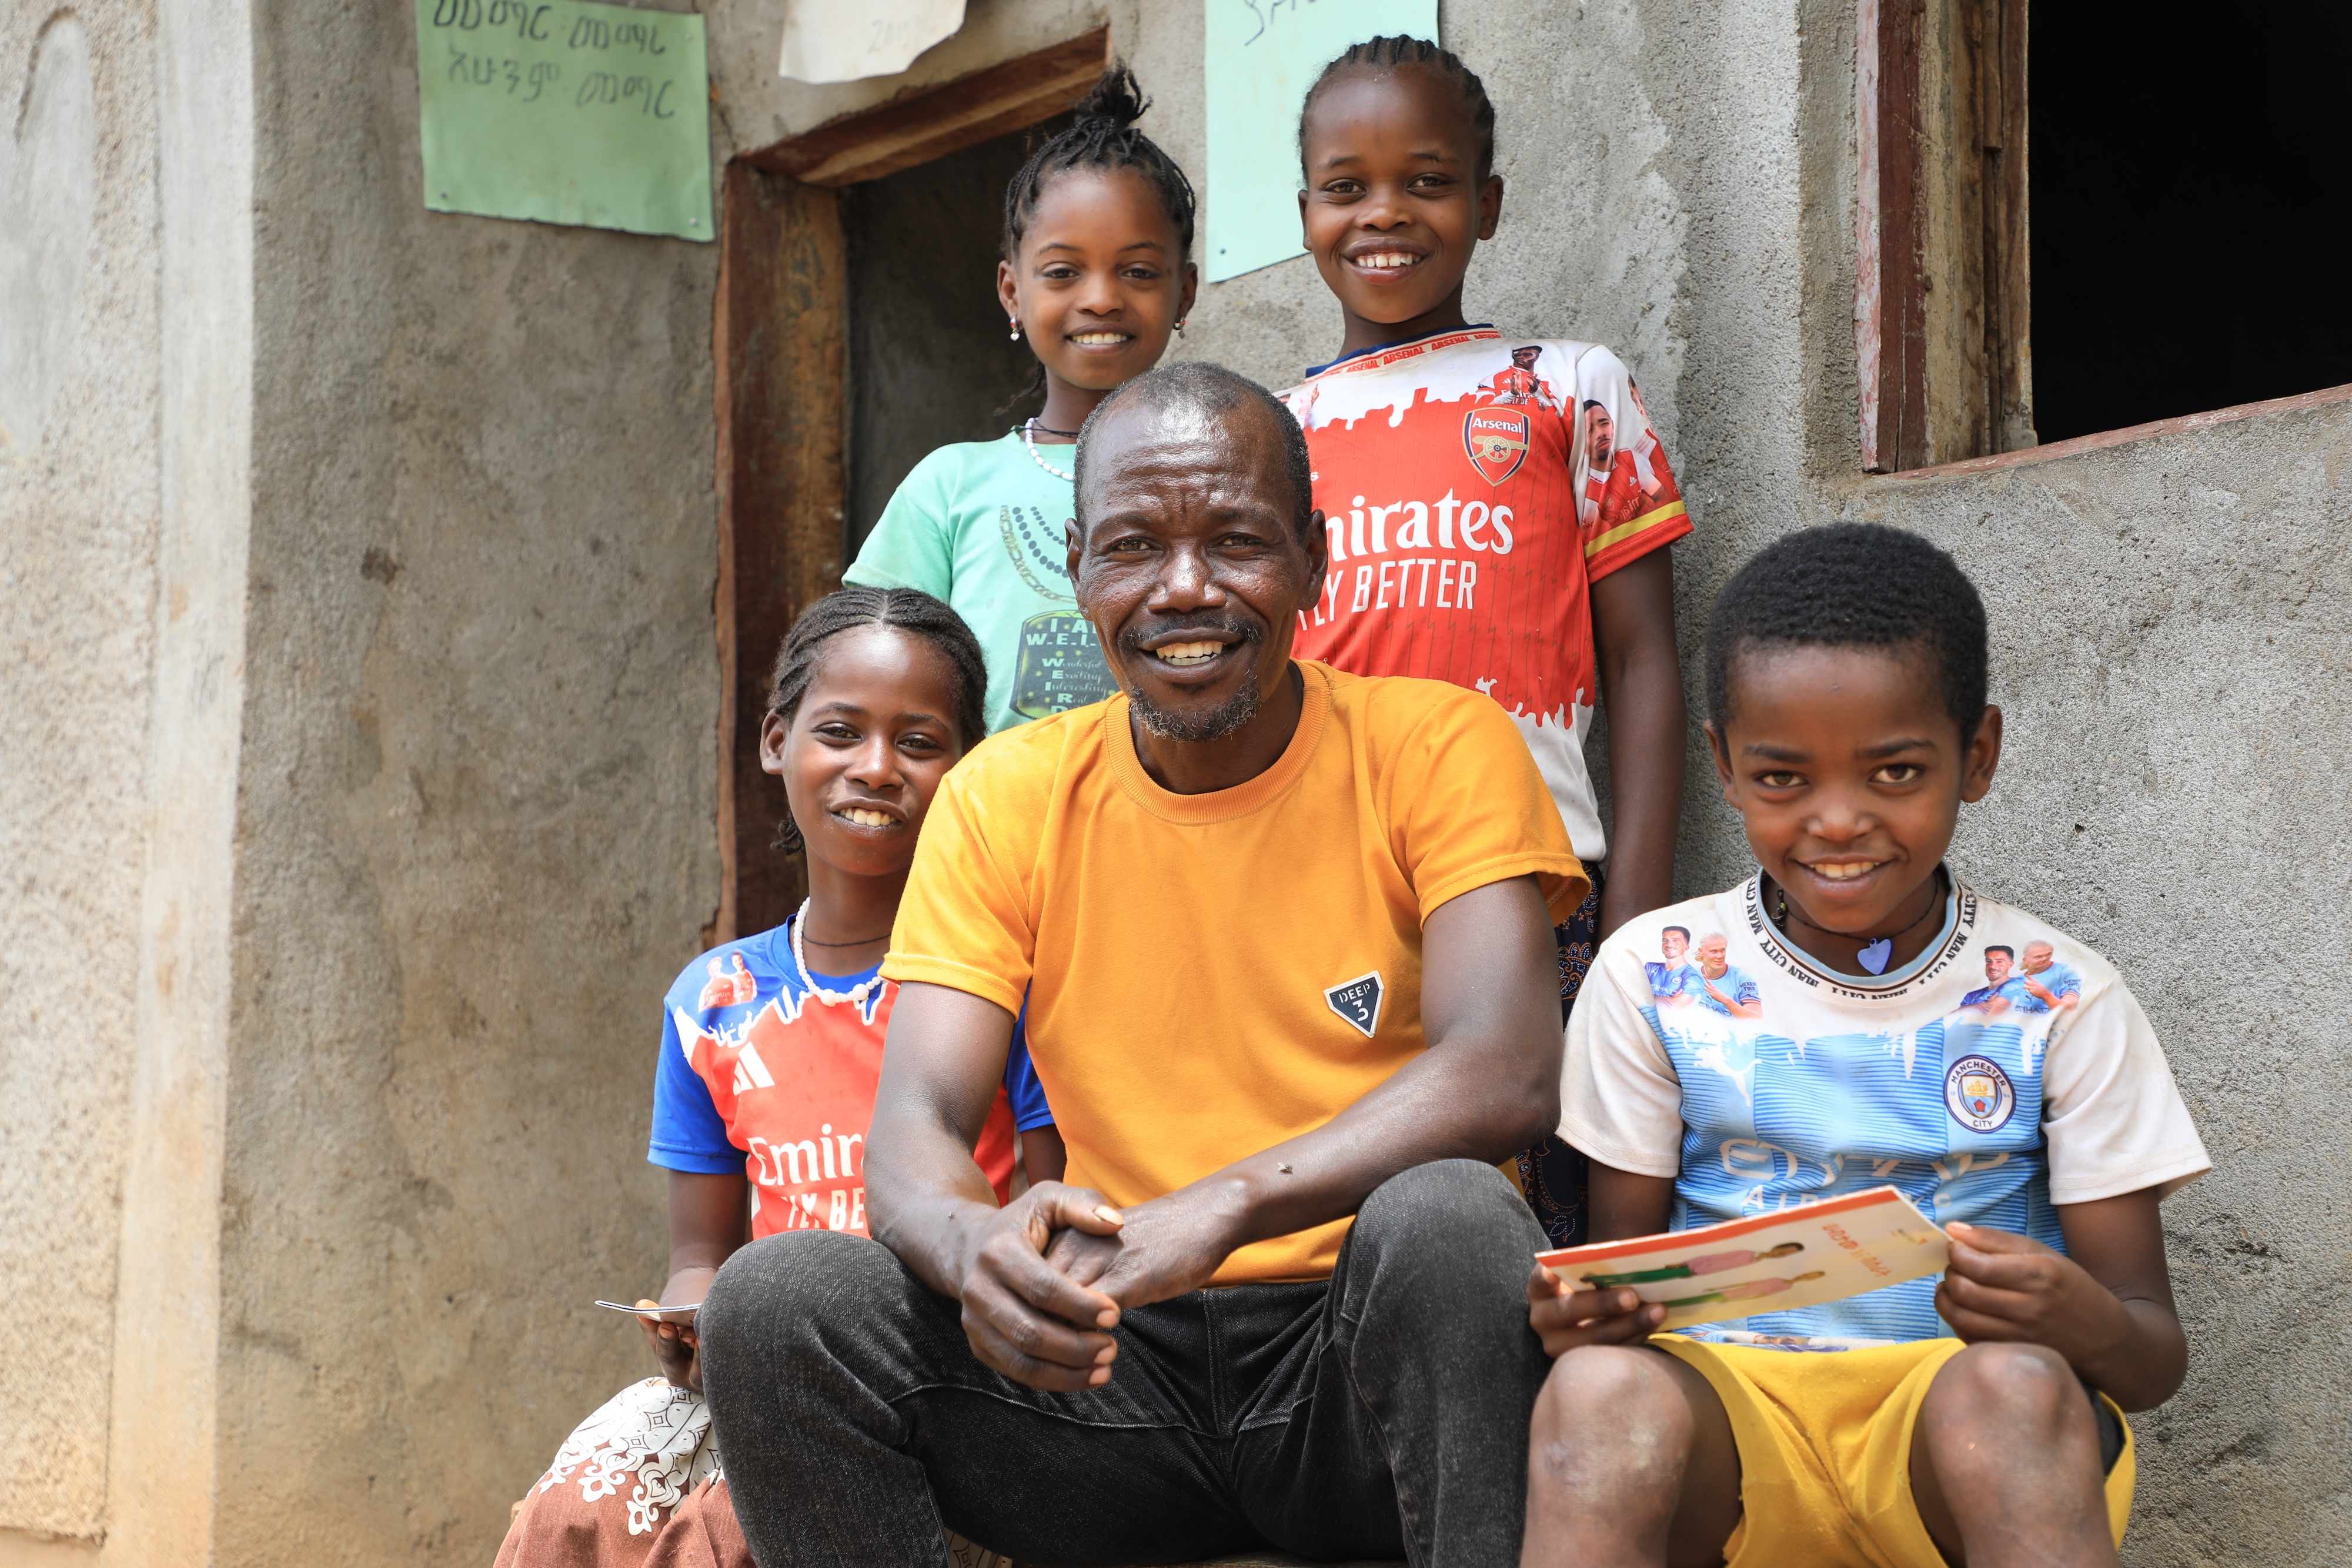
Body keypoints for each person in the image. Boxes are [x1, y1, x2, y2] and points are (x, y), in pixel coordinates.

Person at [697, 363, 1588, 1568]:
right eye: (1131, 546)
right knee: (776, 1302)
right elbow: (916, 1123)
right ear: (1077, 570)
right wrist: (982, 1257)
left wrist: (1223, 1204)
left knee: (1450, 1218)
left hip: (1353, 1369)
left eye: (1235, 542)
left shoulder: (1435, 747)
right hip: (1104, 1369)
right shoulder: (1004, 796)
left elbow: (1505, 1070)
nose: (1182, 589)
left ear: (1313, 561)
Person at [1526, 524, 2211, 1568]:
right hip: (1732, 1432)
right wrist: (1592, 1319)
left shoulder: (2058, 998)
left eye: (1894, 771)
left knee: (2016, 1385)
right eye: (1784, 779)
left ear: (1975, 756)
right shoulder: (1654, 974)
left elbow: (2151, 1357)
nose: (1838, 822)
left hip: (1957, 1437)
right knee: (1598, 1393)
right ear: (1723, 764)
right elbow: (1637, 1287)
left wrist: (2082, 1317)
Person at [495, 589, 1058, 1568]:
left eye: (920, 741)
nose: (876, 768)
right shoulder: (711, 1000)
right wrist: (689, 1321)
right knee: (572, 1516)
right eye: (840, 731)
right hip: (755, 1367)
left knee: (723, 1538)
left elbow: (1051, 1210)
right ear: (775, 741)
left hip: (943, 1371)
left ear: (968, 766)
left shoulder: (1001, 985)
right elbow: (701, 1252)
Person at [1281, 36, 1692, 1243]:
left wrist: (1635, 922)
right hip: (1331, 889)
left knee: (1553, 1214)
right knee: (1360, 1216)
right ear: (1304, 211)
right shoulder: (1275, 432)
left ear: (1487, 204)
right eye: (1344, 187)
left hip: (1537, 879)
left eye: (1426, 179)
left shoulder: (1566, 388)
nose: (1384, 214)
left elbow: (1643, 664)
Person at [843, 66, 1198, 737]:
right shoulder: (949, 487)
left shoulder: (1214, 475)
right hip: (992, 828)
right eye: (1063, 272)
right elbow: (871, 673)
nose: (1100, 297)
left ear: (1184, 292)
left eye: (1139, 271)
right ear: (1012, 291)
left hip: (1166, 826)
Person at [1687, 932, 1763, 1019]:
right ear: (1702, 951)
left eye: (1722, 950)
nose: (1720, 956)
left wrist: (1725, 1000)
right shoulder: (1691, 976)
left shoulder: (1742, 979)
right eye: (1714, 951)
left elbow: (1757, 1020)